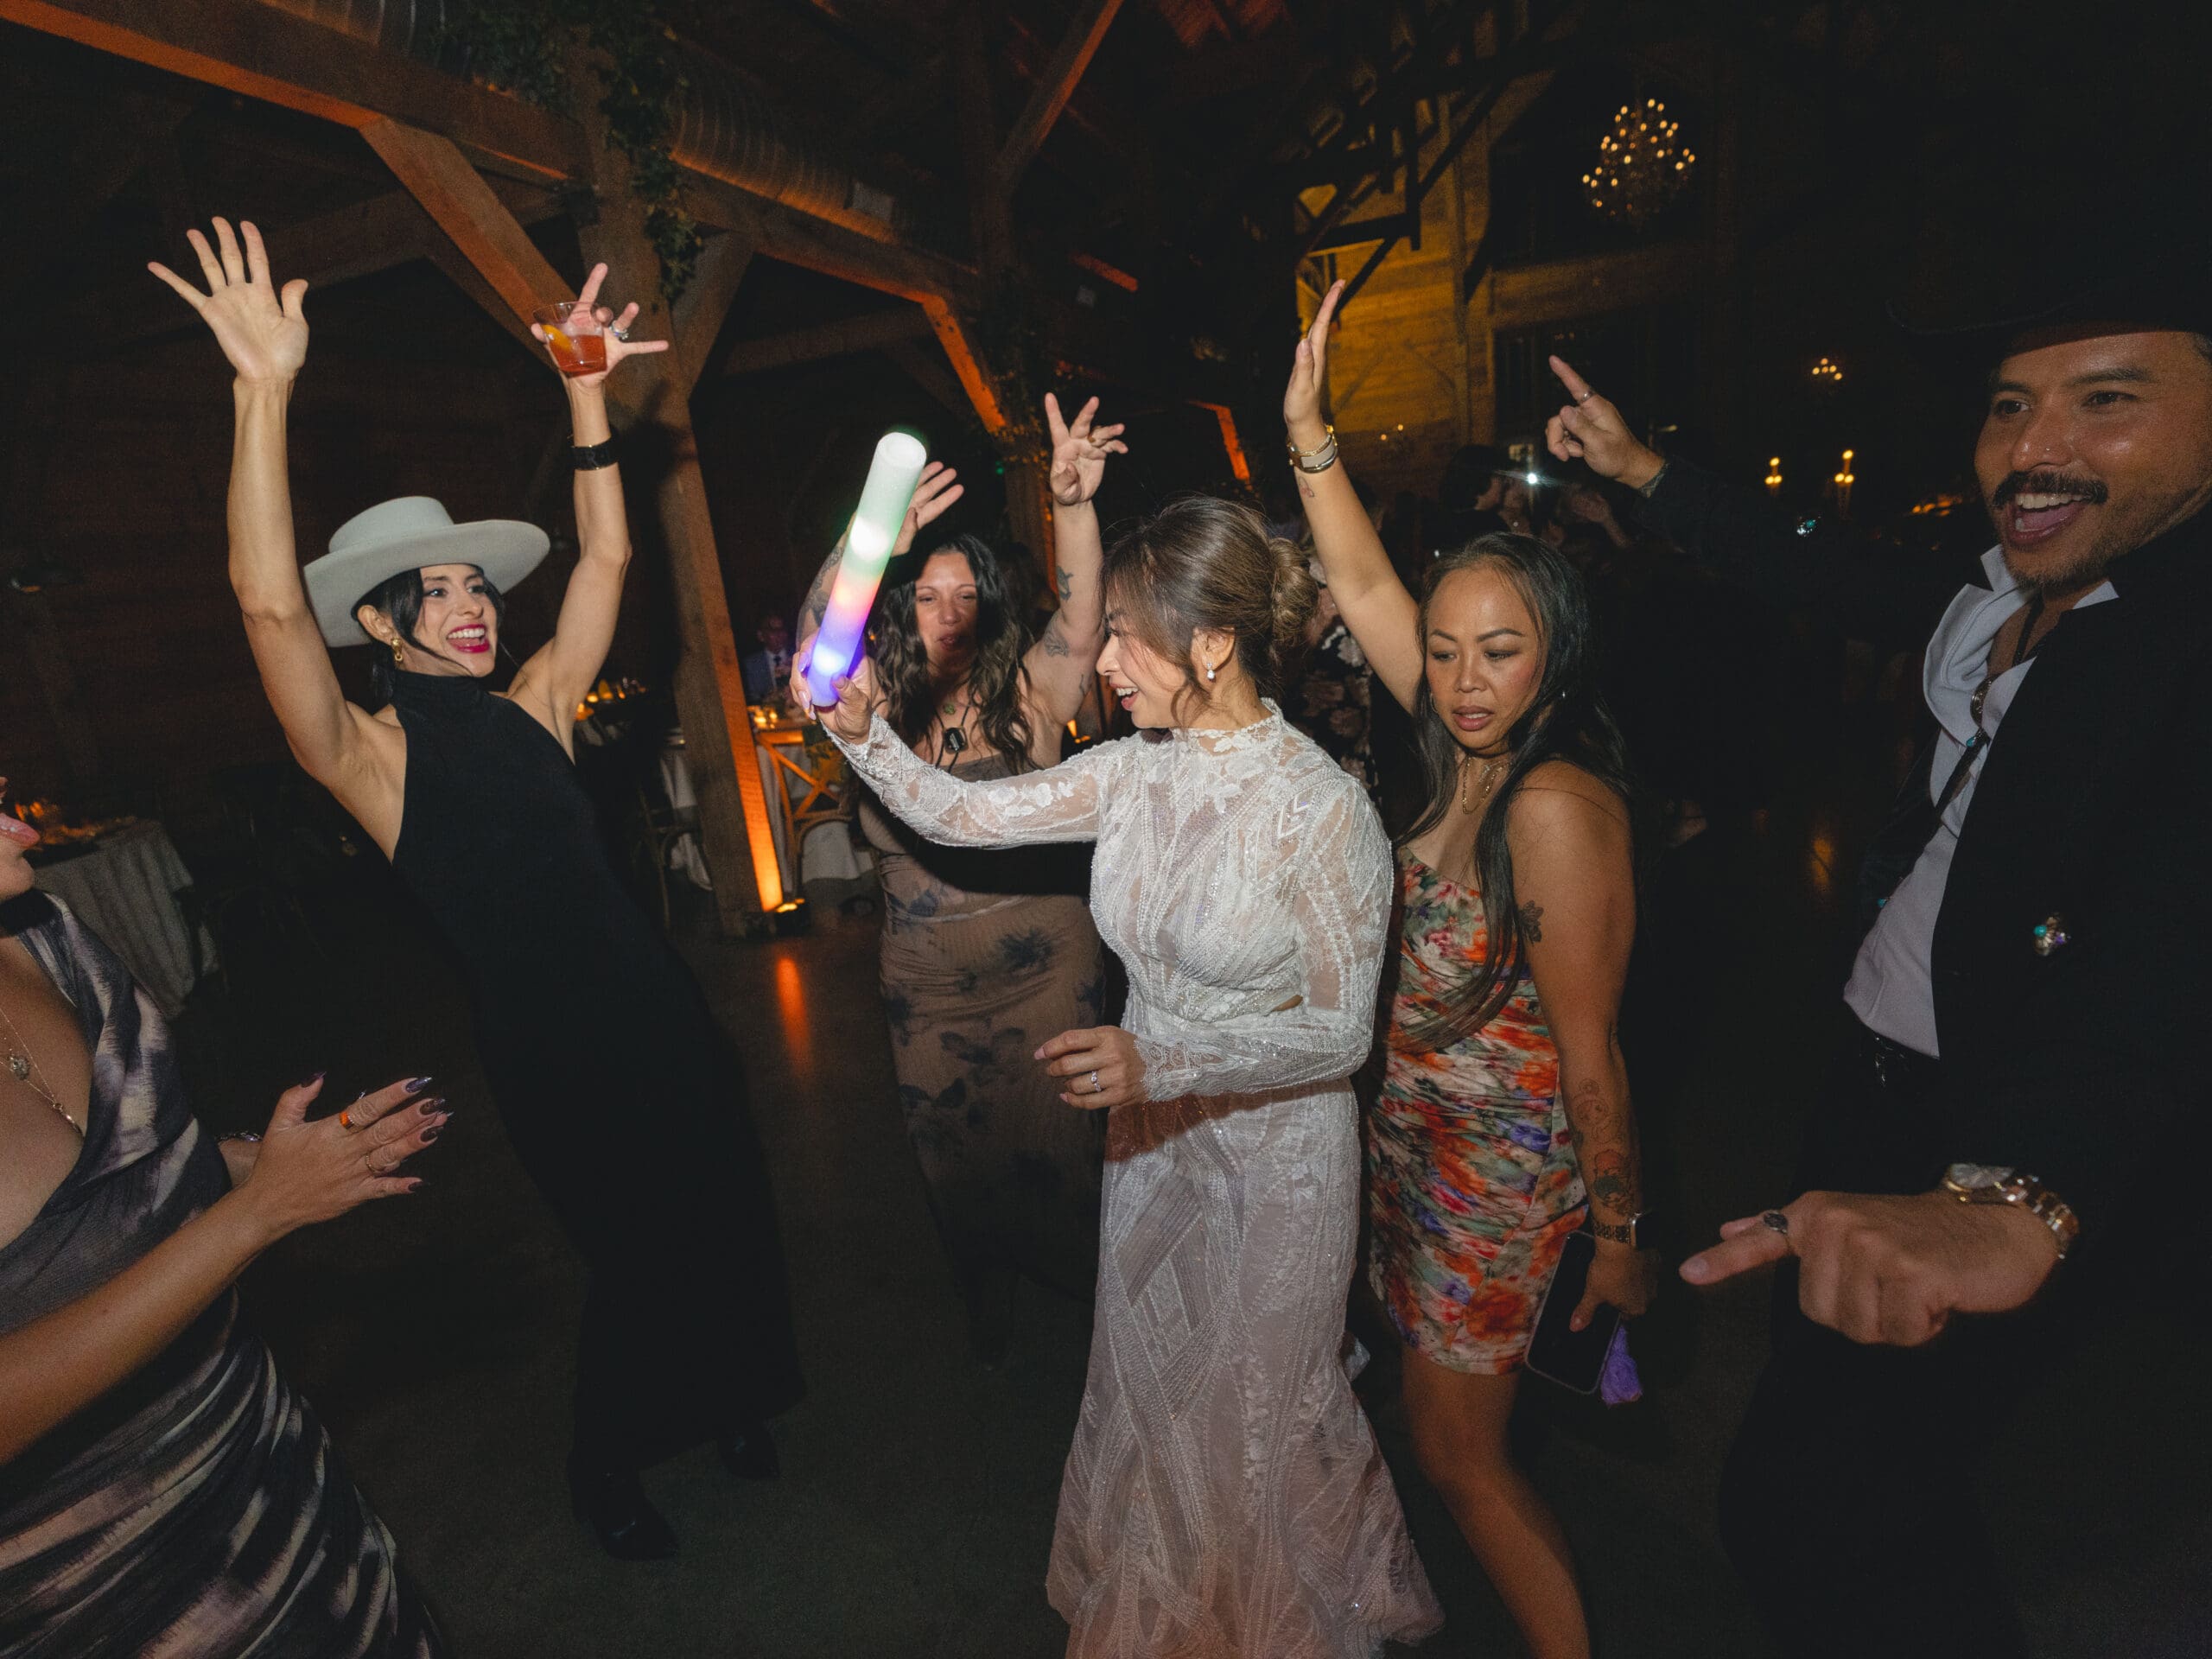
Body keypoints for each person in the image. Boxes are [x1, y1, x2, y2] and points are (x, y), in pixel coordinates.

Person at [1545, 234, 2212, 1652]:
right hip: (1871, 1084)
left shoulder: (2179, 643)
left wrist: (2024, 1193)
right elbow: (1829, 574)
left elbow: (2169, 945)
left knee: (1824, 1500)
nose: (2034, 448)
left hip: (1995, 1131)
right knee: (1833, 1439)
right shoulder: (1994, 592)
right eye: (2007, 404)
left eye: (2108, 399)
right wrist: (1647, 474)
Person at [151, 219, 803, 1560]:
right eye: (434, 594)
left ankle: (740, 1399)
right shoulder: (374, 760)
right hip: (557, 1053)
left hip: (660, 1012)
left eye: (476, 587)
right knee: (635, 1258)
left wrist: (582, 396)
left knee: (728, 1214)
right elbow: (270, 610)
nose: (471, 606)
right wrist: (263, 390)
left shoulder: (536, 706)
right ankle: (607, 1464)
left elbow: (608, 563)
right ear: (380, 627)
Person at [812, 494, 1441, 1656]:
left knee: (1254, 1418)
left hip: (1276, 1167)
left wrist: (1166, 1058)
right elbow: (966, 814)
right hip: (1154, 1151)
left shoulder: (1324, 810)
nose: (1101, 661)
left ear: (1211, 645)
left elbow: (1343, 1034)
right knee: (1159, 1395)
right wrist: (866, 739)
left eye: (1126, 638)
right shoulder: (1135, 770)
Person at [1287, 280, 1656, 1659]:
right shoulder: (1463, 757)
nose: (1461, 676)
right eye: (1445, 654)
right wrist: (1312, 437)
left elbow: (1591, 1049)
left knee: (1463, 1459)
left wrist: (1619, 1239)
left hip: (1501, 1188)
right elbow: (1369, 583)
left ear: (1556, 648)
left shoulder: (1552, 805)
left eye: (1498, 652)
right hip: (1416, 1153)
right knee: (1447, 1441)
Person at [0, 779, 447, 1654]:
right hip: (110, 1597)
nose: (17, 819)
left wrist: (296, 1161)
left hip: (277, 1482)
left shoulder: (44, 935)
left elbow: (142, 1172)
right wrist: (257, 1218)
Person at [790, 395, 1121, 1361]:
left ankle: (1095, 1313)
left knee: (1064, 1154)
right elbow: (818, 642)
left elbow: (1086, 607)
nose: (946, 613)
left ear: (988, 603)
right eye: (926, 594)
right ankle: (984, 1290)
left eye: (964, 594)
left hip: (1052, 969)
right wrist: (866, 541)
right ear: (899, 601)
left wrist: (1070, 504)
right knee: (951, 1156)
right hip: (926, 985)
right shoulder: (870, 706)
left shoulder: (1037, 691)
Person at [1287, 551, 1378, 794]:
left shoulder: (1374, 580)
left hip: (1355, 754)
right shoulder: (1293, 576)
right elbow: (1267, 681)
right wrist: (1315, 629)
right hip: (1304, 749)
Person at [741, 610, 795, 706]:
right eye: (773, 630)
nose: (779, 635)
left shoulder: (796, 658)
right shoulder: (751, 665)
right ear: (761, 636)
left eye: (782, 629)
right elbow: (752, 697)